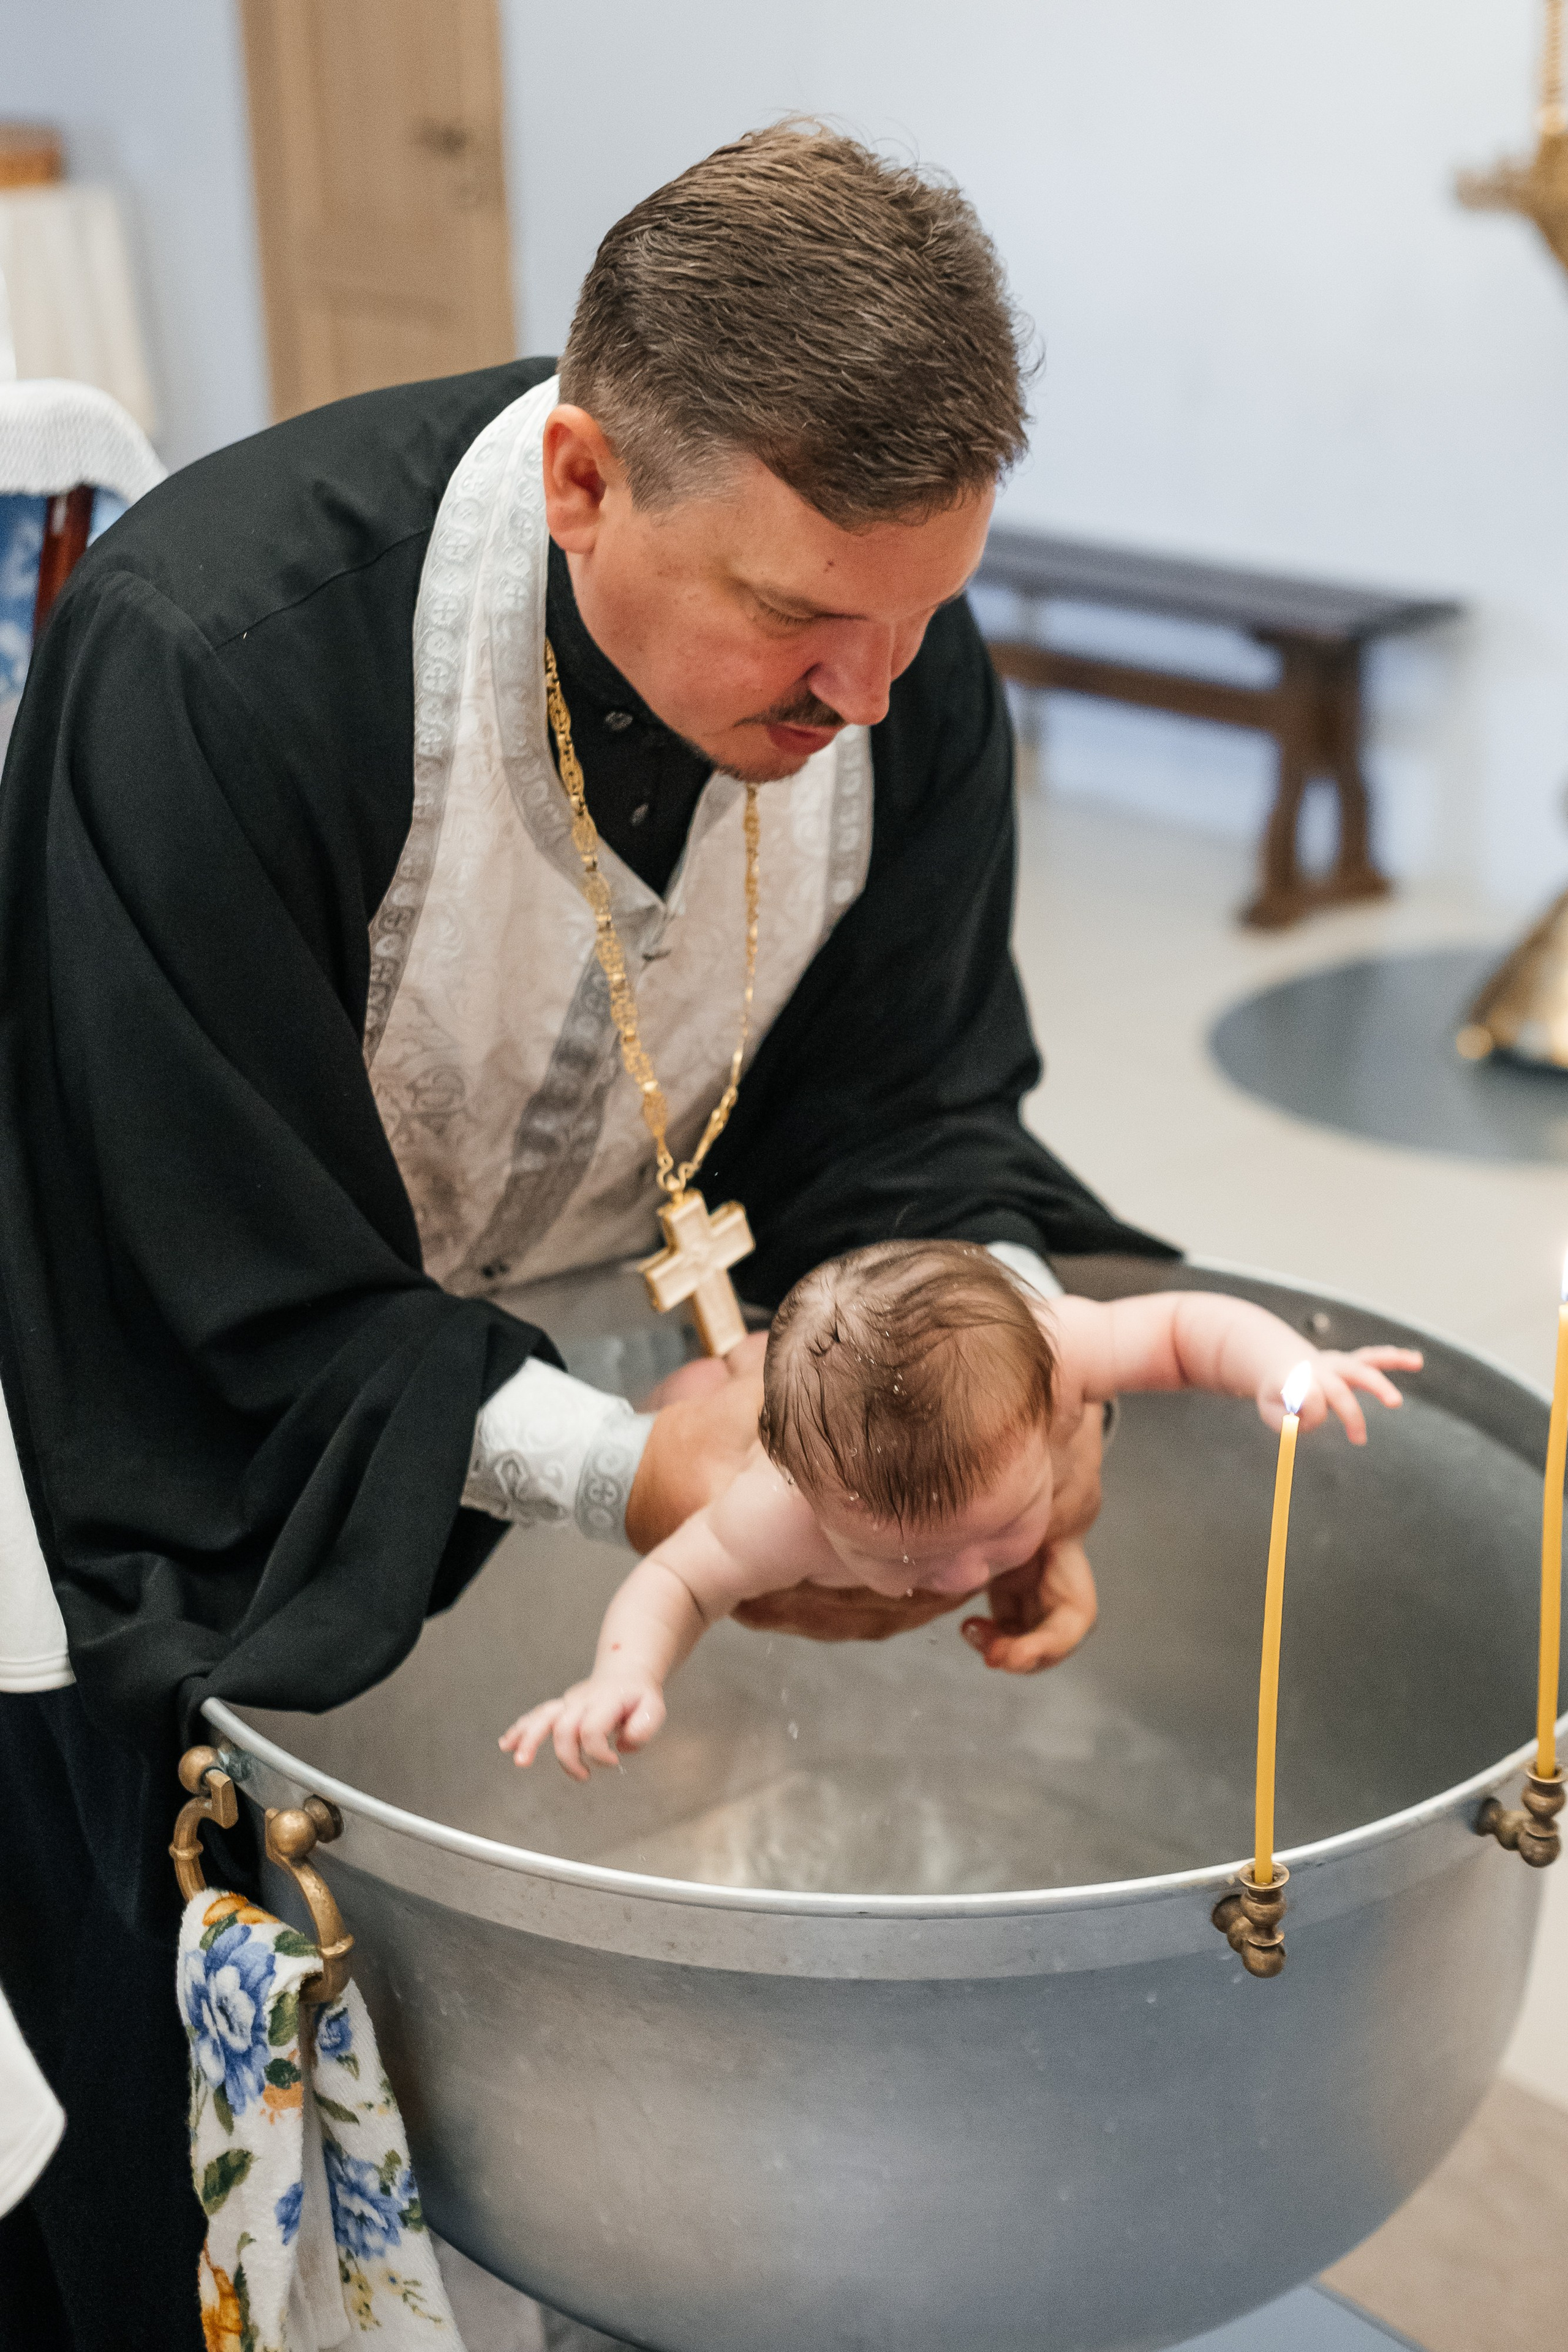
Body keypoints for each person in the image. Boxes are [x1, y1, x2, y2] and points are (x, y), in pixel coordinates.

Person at [0, 124, 1175, 2345]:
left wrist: (992, 1379)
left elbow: (916, 1112)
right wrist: (642, 1473)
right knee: (195, 2157)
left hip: (574, 1353)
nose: (871, 703)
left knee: (598, 2124)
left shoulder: (895, 670)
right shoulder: (218, 664)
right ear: (578, 486)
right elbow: (200, 1296)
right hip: (194, 1399)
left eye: (927, 614)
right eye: (803, 619)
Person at [502, 1242, 1422, 1781]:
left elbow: (1181, 1331)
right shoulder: (775, 1504)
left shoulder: (1050, 1353)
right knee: (701, 1388)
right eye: (901, 1563)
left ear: (1047, 1418)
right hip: (742, 1401)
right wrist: (623, 1676)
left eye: (1000, 1529)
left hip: (946, 1324)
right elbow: (675, 1582)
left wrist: (1283, 1367)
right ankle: (728, 1366)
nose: (957, 1579)